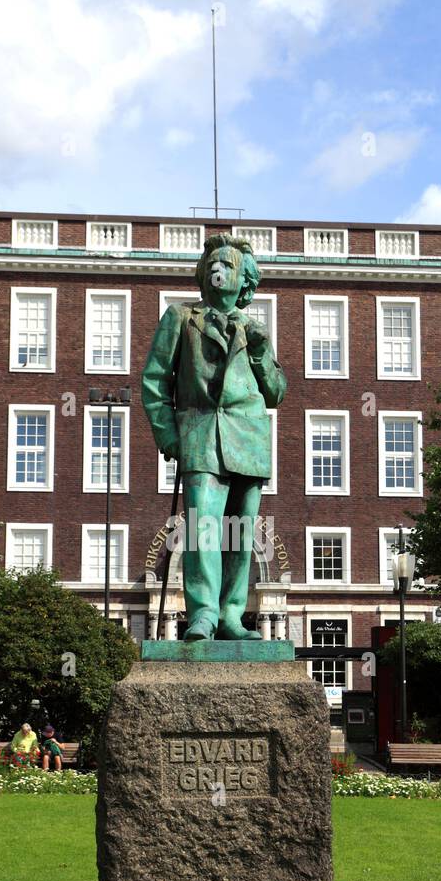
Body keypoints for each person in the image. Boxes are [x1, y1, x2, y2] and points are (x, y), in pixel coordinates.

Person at [142, 232, 286, 642]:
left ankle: (231, 616)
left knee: (240, 533)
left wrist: (259, 350)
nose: (217, 270)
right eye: (212, 265)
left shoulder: (254, 330)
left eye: (227, 266)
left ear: (245, 281)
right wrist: (170, 437)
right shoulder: (180, 317)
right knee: (203, 526)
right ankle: (203, 613)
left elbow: (275, 392)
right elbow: (154, 381)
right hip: (200, 436)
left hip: (249, 441)